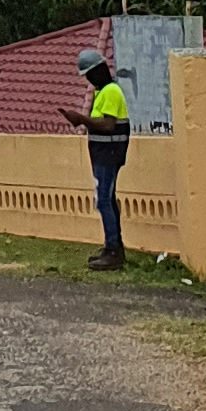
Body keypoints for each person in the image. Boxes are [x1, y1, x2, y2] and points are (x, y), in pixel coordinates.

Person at [79, 50, 131, 269]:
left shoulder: (111, 91)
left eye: (90, 74)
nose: (89, 80)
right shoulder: (103, 92)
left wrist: (81, 119)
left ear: (99, 70)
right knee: (107, 199)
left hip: (109, 155)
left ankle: (113, 251)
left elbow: (108, 125)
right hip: (103, 154)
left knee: (104, 200)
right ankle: (112, 246)